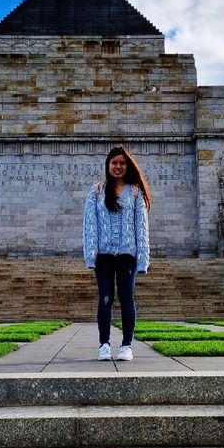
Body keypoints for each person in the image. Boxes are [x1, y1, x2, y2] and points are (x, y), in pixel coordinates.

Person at [83, 146, 151, 361]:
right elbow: (89, 224)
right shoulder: (97, 191)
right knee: (105, 298)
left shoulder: (135, 191)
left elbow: (142, 226)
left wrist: (143, 259)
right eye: (114, 163)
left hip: (127, 255)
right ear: (108, 165)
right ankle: (104, 344)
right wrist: (90, 255)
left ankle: (126, 346)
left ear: (127, 166)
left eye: (122, 163)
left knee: (127, 298)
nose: (118, 166)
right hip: (103, 255)